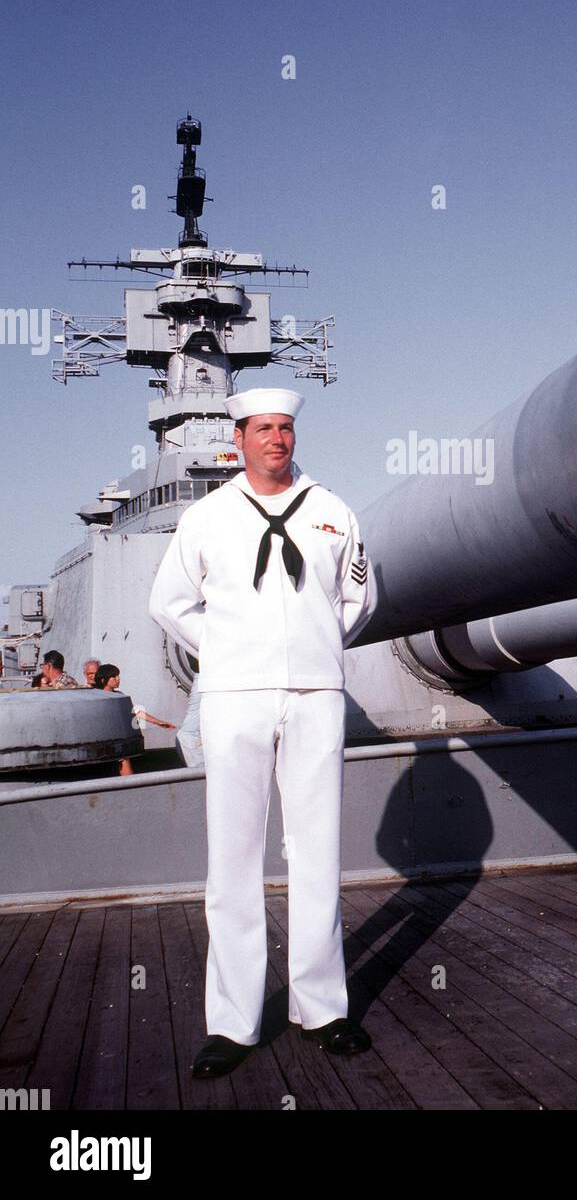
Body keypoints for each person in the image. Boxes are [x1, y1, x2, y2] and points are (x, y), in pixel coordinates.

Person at [148, 386, 377, 1080]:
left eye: (286, 428)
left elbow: (359, 599)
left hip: (314, 697)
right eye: (264, 429)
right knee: (234, 860)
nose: (277, 439)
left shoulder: (334, 512)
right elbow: (170, 602)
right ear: (240, 437)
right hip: (233, 699)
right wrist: (225, 651)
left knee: (317, 853)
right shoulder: (208, 517)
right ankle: (233, 1024)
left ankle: (324, 1007)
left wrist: (313, 650)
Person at [93, 663, 175, 776]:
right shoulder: (95, 696)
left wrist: (158, 722)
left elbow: (135, 711)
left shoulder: (120, 695)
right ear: (103, 680)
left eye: (118, 676)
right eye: (114, 676)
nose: (118, 679)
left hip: (118, 743)